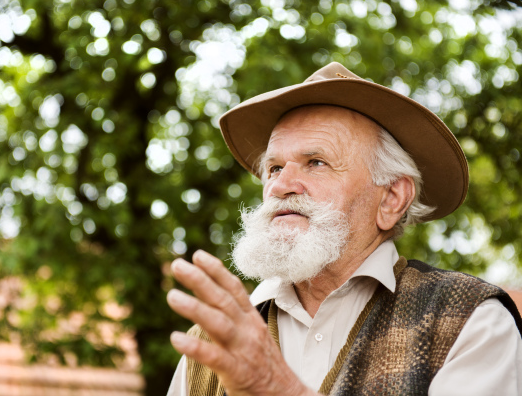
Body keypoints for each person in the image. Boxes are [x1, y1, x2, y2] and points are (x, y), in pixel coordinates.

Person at [165, 62, 522, 395]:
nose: (279, 185)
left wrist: (277, 388)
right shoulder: (211, 344)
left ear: (391, 199)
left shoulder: (469, 320)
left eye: (315, 162)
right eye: (273, 168)